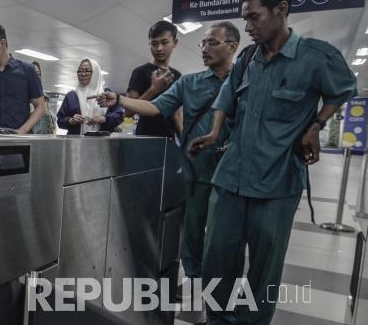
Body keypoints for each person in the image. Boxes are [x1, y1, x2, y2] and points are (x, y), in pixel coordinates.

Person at [184, 0, 356, 325]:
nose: (248, 27)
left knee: (264, 265)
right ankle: (219, 317)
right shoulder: (246, 59)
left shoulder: (316, 56)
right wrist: (213, 133)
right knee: (218, 254)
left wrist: (316, 125)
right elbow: (228, 97)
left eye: (254, 17)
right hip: (231, 176)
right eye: (245, 18)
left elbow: (345, 88)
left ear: (281, 10)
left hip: (278, 180)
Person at [99, 22, 240, 284]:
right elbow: (156, 107)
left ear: (232, 47)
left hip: (231, 175)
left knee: (224, 240)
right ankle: (197, 285)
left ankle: (219, 294)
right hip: (196, 171)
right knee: (191, 233)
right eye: (203, 43)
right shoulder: (189, 83)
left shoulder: (245, 83)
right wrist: (119, 100)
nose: (205, 49)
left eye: (212, 43)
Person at [127, 21, 183, 138]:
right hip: (145, 139)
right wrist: (153, 90)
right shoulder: (140, 72)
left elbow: (177, 115)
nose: (159, 48)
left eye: (164, 42)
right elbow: (128, 113)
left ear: (175, 43)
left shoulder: (177, 76)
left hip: (169, 139)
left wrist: (186, 142)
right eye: (154, 44)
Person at [58, 58, 124, 135]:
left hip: (101, 142)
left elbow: (119, 115)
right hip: (77, 143)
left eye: (87, 71)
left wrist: (103, 118)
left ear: (95, 73)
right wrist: (71, 120)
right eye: (80, 71)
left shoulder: (106, 93)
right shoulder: (71, 96)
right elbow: (60, 121)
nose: (82, 74)